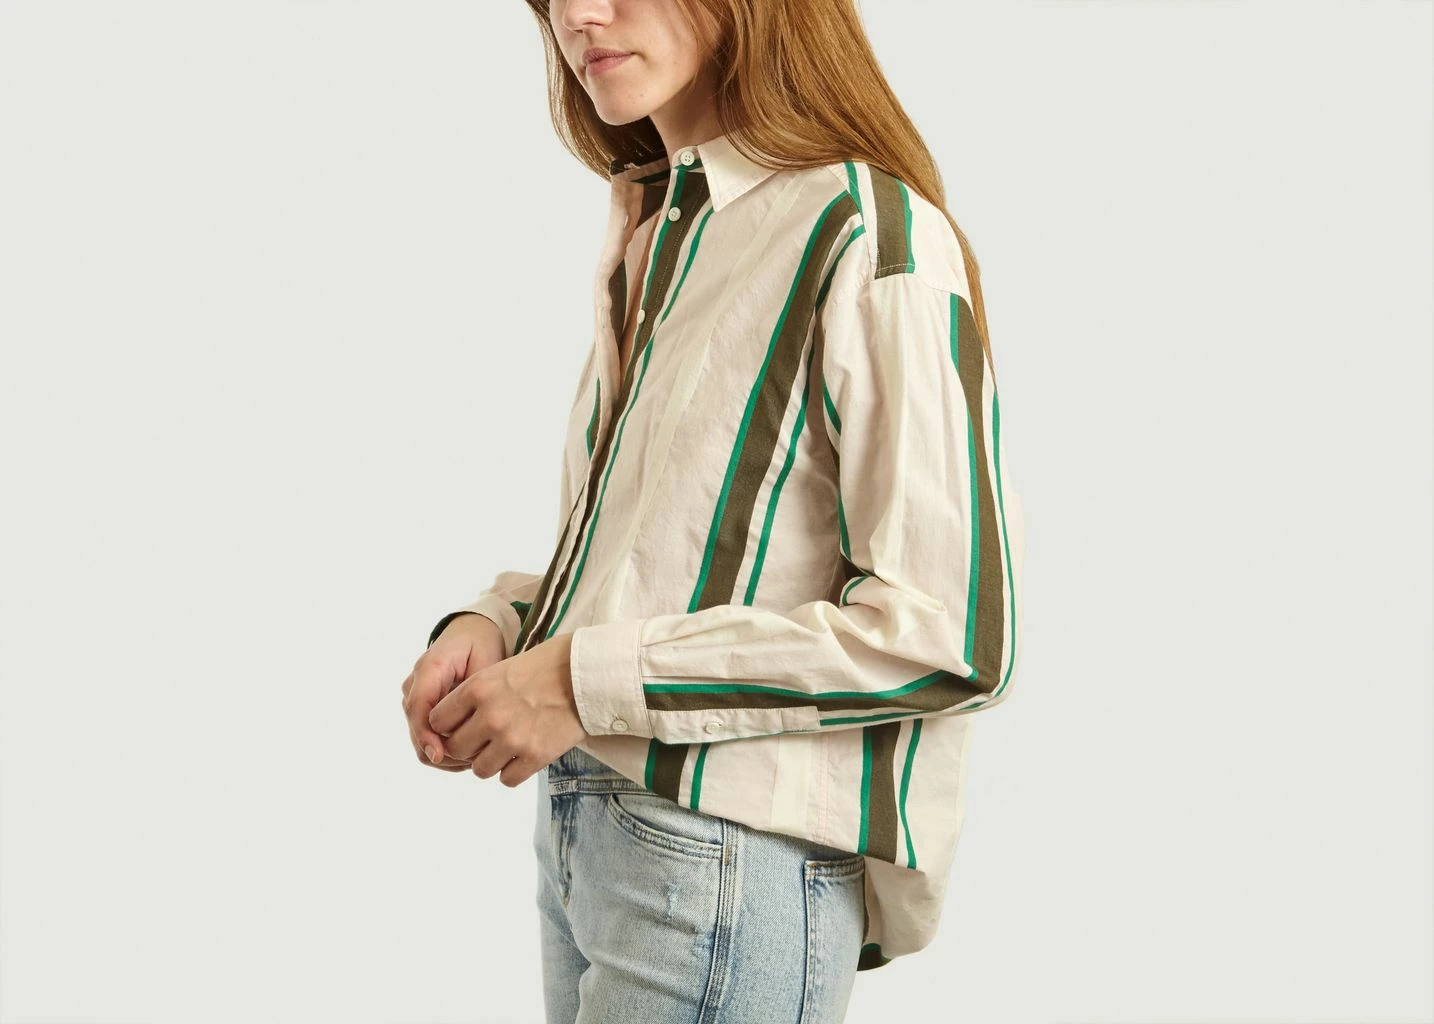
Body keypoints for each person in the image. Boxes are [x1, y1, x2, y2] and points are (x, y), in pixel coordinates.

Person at [399, 0, 1026, 1019]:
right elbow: (667, 552)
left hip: (727, 854)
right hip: (591, 833)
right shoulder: (669, 230)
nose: (578, 14)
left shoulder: (864, 231)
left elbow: (947, 635)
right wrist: (504, 623)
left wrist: (578, 680)